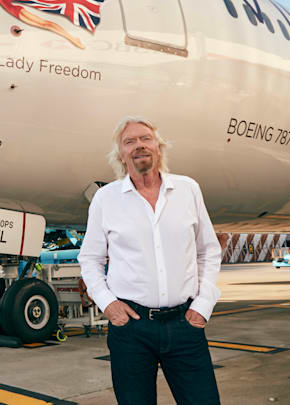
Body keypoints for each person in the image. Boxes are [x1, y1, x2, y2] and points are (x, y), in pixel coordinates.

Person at [78, 116, 222, 405]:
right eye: (129, 141)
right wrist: (107, 303)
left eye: (145, 138)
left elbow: (208, 250)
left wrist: (203, 305)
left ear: (159, 147)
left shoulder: (188, 190)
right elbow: (90, 259)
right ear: (120, 154)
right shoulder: (106, 199)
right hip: (131, 329)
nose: (139, 145)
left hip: (185, 324)